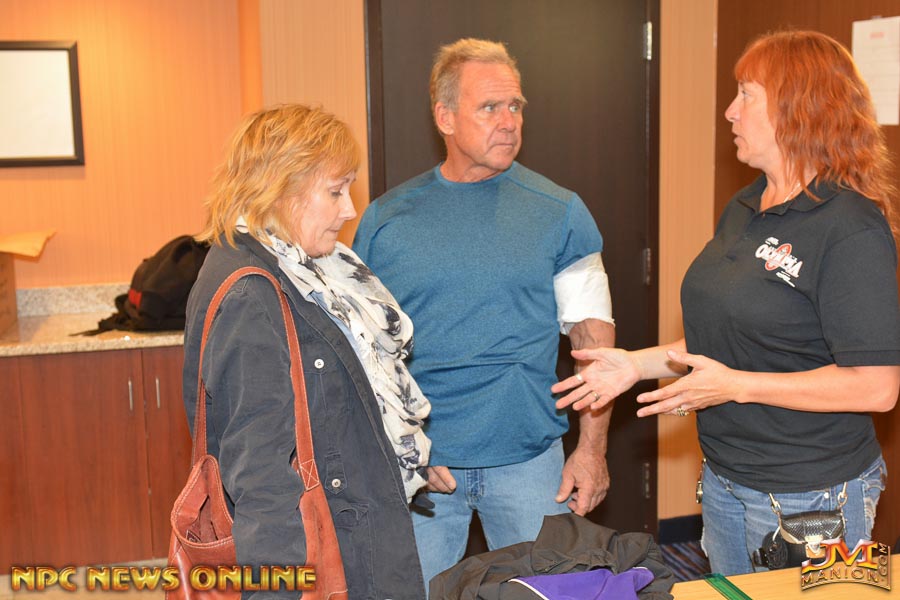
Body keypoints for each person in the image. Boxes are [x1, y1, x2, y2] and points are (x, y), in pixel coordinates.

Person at [554, 30, 900, 576]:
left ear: (797, 109)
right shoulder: (745, 205)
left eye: (746, 95)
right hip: (727, 480)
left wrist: (737, 385)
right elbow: (728, 341)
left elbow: (877, 387)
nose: (730, 111)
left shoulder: (850, 227)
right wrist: (634, 366)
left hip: (814, 494)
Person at [353, 38, 616, 588]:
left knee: (543, 596)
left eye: (516, 106)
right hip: (425, 468)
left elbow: (595, 346)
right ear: (445, 117)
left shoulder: (560, 211)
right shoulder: (384, 220)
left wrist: (592, 451)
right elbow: (366, 352)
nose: (509, 121)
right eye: (490, 107)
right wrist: (402, 447)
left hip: (529, 462)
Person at [183, 104, 430, 598]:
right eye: (335, 191)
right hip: (325, 554)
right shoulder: (253, 292)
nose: (349, 209)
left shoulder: (299, 270)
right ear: (280, 190)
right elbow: (260, 474)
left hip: (350, 526)